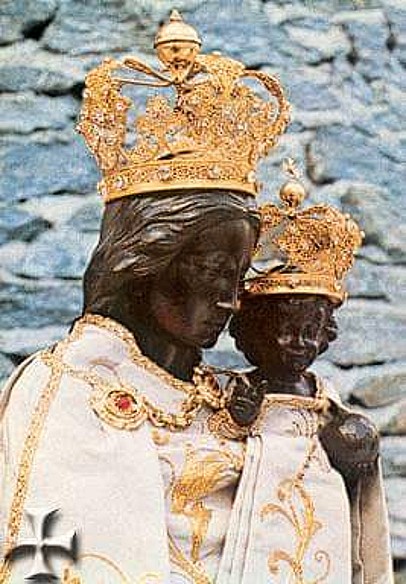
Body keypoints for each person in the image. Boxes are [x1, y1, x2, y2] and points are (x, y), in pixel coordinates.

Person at [0, 11, 291, 584]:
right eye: (212, 271)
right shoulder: (66, 387)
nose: (231, 300)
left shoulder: (233, 398)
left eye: (238, 276)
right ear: (143, 264)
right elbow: (37, 558)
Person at [218, 173, 394, 583]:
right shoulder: (230, 393)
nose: (298, 342)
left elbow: (358, 481)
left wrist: (356, 445)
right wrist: (236, 422)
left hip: (321, 543)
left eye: (310, 330)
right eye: (283, 329)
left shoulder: (329, 408)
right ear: (251, 332)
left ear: (326, 334)